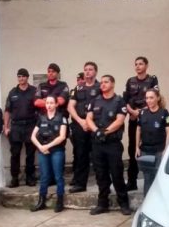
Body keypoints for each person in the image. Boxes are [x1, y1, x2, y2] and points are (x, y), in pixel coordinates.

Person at [87, 75, 133, 216]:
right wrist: (96, 131)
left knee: (117, 174)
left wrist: (105, 132)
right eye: (101, 82)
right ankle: (102, 204)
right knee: (101, 175)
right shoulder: (95, 101)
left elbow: (119, 121)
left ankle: (124, 204)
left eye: (106, 82)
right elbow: (88, 118)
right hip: (97, 143)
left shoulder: (119, 101)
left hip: (112, 143)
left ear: (113, 84)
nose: (103, 84)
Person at [123, 56, 159, 191]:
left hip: (148, 119)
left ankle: (152, 181)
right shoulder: (130, 81)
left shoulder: (152, 80)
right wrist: (133, 112)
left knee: (149, 148)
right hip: (133, 118)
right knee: (133, 149)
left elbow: (155, 98)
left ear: (146, 65)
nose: (138, 66)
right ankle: (131, 181)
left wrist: (141, 112)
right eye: (136, 64)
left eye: (141, 64)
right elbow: (125, 100)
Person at [30, 96, 68, 213]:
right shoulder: (41, 118)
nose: (49, 105)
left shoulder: (62, 117)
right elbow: (32, 136)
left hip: (57, 150)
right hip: (43, 151)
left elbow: (62, 136)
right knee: (44, 177)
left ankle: (60, 201)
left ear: (56, 104)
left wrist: (47, 146)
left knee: (58, 177)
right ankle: (41, 201)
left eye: (52, 103)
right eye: (47, 103)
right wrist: (40, 147)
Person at [67, 61, 100, 193]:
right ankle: (80, 184)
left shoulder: (101, 87)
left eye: (90, 69)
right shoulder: (78, 89)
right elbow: (70, 106)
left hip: (95, 126)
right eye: (85, 69)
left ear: (95, 72)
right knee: (81, 155)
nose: (87, 72)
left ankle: (102, 184)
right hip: (80, 126)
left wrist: (89, 123)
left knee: (98, 156)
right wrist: (81, 121)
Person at [4, 68, 38, 188]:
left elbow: (39, 109)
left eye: (23, 76)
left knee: (30, 153)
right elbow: (7, 110)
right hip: (16, 126)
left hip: (30, 125)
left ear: (27, 77)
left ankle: (30, 177)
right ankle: (14, 178)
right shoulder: (13, 92)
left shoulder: (34, 91)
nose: (21, 78)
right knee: (15, 153)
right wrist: (6, 127)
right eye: (19, 76)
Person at [136, 89, 169, 196]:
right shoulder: (142, 113)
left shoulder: (165, 113)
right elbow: (138, 129)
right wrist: (137, 147)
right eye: (147, 98)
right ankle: (146, 202)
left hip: (159, 150)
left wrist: (166, 149)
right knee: (147, 178)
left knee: (159, 177)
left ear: (157, 98)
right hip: (145, 150)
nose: (149, 100)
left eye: (151, 97)